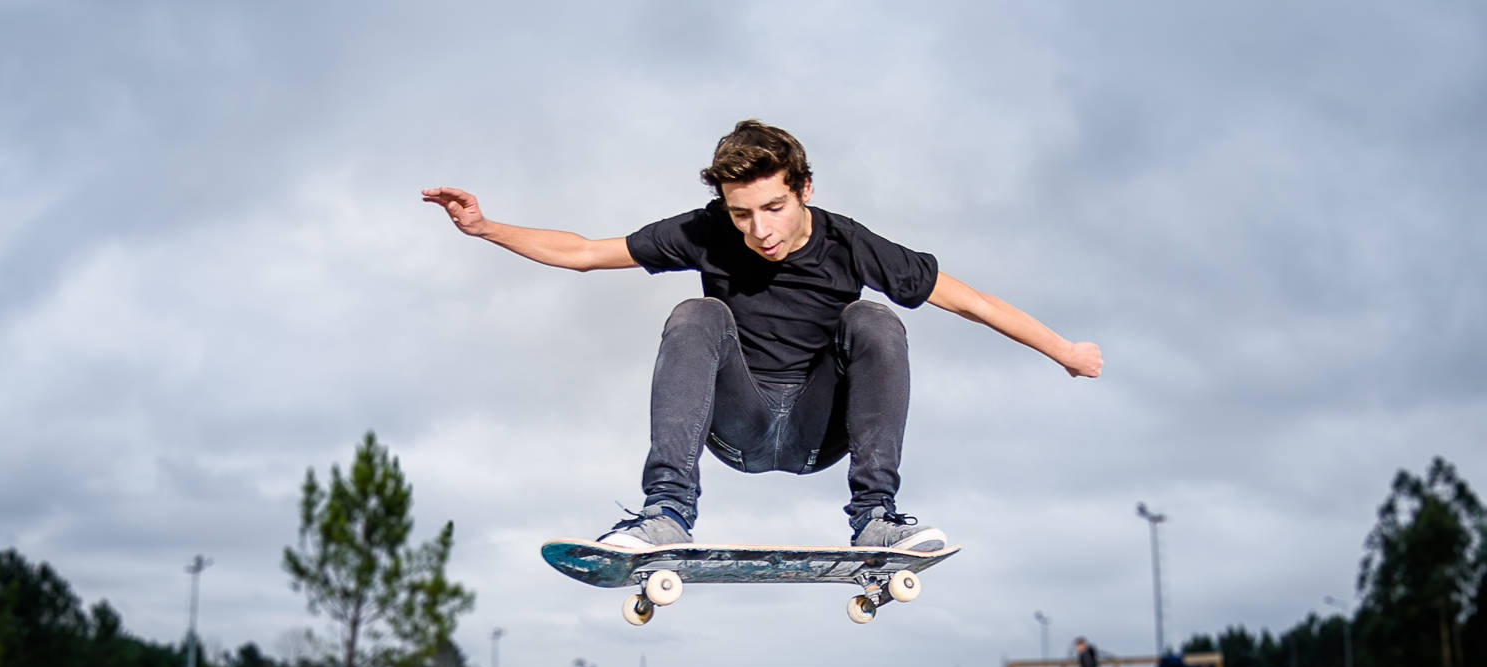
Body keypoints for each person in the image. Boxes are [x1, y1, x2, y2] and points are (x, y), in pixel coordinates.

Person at [423, 120, 1103, 551]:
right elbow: (585, 253)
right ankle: (666, 512)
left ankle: (875, 516)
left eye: (773, 207)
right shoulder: (706, 231)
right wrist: (486, 228)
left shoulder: (851, 244)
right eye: (742, 214)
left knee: (874, 319)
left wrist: (1065, 353)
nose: (760, 230)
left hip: (817, 432)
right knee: (697, 315)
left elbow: (972, 302)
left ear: (804, 188)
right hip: (738, 427)